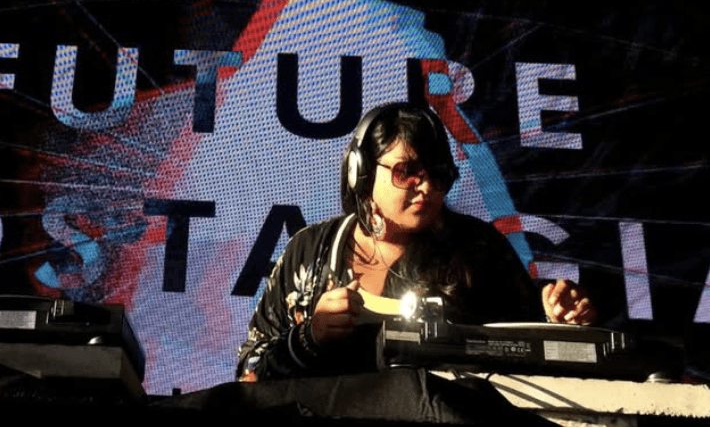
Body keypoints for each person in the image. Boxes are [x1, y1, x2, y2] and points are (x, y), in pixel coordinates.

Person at [237, 102, 596, 381]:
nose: (424, 187)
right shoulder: (310, 250)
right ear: (359, 172)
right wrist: (309, 337)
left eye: (437, 175)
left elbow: (528, 347)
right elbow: (251, 370)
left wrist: (556, 318)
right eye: (405, 171)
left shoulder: (478, 249)